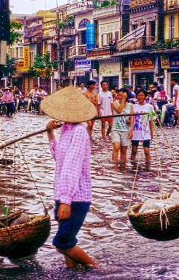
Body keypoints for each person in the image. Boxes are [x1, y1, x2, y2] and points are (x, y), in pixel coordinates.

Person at [41, 86, 99, 268]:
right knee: (68, 241)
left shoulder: (79, 132)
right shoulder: (66, 130)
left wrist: (66, 201)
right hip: (63, 194)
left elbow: (72, 167)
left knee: (61, 243)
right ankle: (71, 273)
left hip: (76, 197)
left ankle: (98, 270)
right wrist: (50, 132)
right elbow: (59, 157)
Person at [130, 89, 154, 165]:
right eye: (139, 95)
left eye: (142, 95)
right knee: (134, 150)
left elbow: (151, 120)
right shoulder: (133, 107)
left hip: (145, 131)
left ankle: (148, 165)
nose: (140, 97)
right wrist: (130, 131)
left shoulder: (149, 107)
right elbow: (131, 120)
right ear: (136, 96)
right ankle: (133, 165)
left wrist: (151, 132)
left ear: (145, 96)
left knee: (146, 150)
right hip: (135, 131)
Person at [111, 88, 133, 164]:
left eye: (122, 95)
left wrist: (131, 129)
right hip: (115, 129)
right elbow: (119, 110)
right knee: (116, 147)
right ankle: (114, 165)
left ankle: (123, 167)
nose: (120, 97)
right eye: (118, 95)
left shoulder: (130, 105)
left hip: (125, 129)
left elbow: (132, 118)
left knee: (124, 151)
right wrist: (123, 100)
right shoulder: (114, 103)